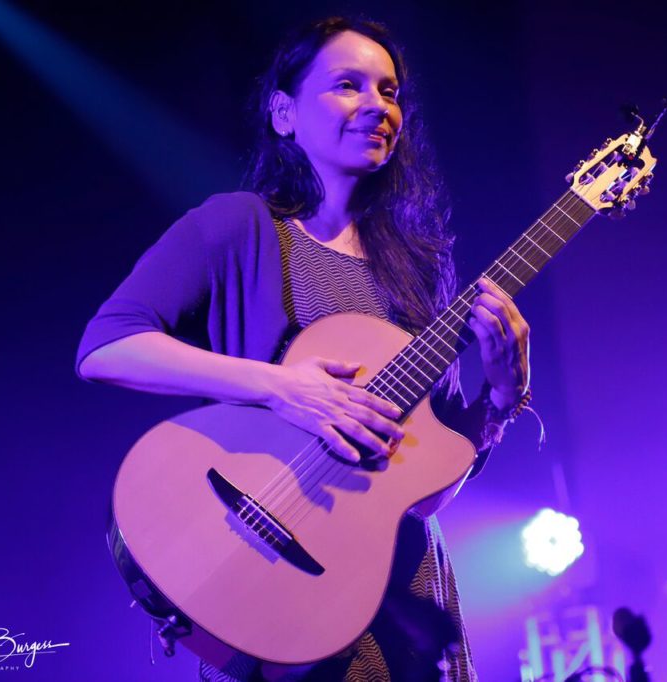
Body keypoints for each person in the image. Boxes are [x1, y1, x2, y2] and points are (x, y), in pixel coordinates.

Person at [76, 16, 531, 681]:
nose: (378, 106)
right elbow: (105, 348)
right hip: (282, 576)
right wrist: (280, 386)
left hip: (405, 587)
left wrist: (503, 393)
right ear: (284, 112)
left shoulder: (422, 266)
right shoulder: (237, 226)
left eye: (390, 90)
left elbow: (430, 491)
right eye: (348, 85)